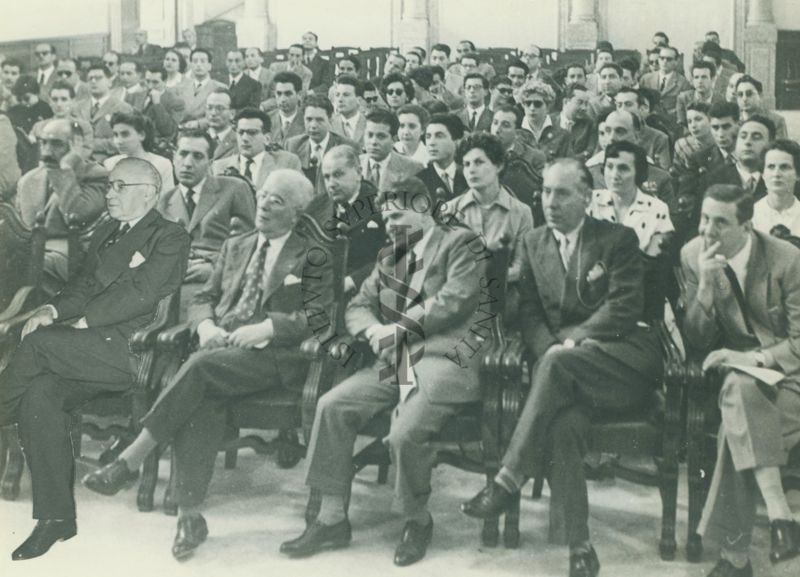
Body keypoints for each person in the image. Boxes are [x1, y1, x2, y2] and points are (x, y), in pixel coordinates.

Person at [83, 169, 330, 561]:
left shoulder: (313, 255)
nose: (263, 204)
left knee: (198, 370)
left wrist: (267, 327)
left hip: (274, 358)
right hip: (220, 352)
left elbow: (318, 317)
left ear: (298, 213)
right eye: (262, 195)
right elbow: (204, 297)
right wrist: (206, 325)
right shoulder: (237, 245)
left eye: (276, 200)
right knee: (201, 401)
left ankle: (131, 458)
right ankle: (190, 516)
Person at [460, 158, 662, 577]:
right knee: (562, 427)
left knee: (555, 365)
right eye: (546, 192)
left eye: (562, 193)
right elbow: (530, 314)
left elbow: (624, 308)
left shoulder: (617, 239)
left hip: (619, 368)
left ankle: (507, 478)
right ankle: (580, 548)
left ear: (587, 197)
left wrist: (568, 344)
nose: (550, 201)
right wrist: (552, 347)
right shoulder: (533, 242)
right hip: (563, 375)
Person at [280, 177, 483, 567]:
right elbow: (357, 304)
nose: (389, 224)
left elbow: (453, 300)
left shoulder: (460, 243)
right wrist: (372, 329)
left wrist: (399, 328)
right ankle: (332, 518)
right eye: (385, 217)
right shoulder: (390, 256)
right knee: (332, 405)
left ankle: (416, 519)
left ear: (424, 209)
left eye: (397, 214)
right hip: (394, 360)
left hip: (443, 358)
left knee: (404, 432)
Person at [0, 157, 190, 561]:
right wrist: (52, 311)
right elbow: (83, 284)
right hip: (86, 351)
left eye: (121, 186)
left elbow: (142, 292)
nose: (110, 193)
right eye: (110, 186)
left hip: (132, 350)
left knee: (36, 346)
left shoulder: (170, 236)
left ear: (149, 193)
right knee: (40, 394)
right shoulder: (107, 230)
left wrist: (82, 321)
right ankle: (56, 520)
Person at [680, 184, 800, 577]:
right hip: (742, 381)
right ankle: (780, 517)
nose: (707, 231)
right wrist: (704, 290)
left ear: (746, 226)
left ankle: (734, 559)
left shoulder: (787, 260)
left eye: (720, 222)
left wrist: (753, 357)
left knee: (736, 419)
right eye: (703, 218)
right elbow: (695, 341)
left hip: (790, 379)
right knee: (738, 388)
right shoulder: (693, 255)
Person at [159, 129, 255, 308]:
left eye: (197, 156)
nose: (188, 163)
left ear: (210, 163)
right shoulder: (163, 201)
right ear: (174, 158)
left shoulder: (234, 189)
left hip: (218, 284)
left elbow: (249, 246)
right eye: (183, 154)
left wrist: (216, 269)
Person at [13, 118, 108, 293]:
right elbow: (19, 226)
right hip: (31, 250)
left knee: (20, 265)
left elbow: (77, 214)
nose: (47, 151)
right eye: (44, 143)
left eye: (56, 144)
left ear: (76, 145)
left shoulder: (96, 175)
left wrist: (65, 169)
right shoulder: (29, 180)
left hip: (73, 256)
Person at [445, 132, 533, 283]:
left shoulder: (522, 212)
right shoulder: (450, 210)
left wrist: (481, 278)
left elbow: (520, 268)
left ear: (498, 166)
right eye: (466, 164)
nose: (471, 170)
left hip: (504, 296)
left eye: (479, 162)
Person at [305, 145, 387, 293]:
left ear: (358, 173)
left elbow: (391, 258)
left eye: (338, 174)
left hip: (364, 291)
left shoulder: (382, 208)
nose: (331, 184)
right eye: (327, 177)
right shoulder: (315, 207)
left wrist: (353, 280)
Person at [212, 107, 302, 190]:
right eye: (241, 132)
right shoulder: (219, 168)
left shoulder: (286, 163)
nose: (244, 138)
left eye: (252, 133)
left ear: (267, 139)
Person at [285, 95, 359, 195]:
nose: (313, 125)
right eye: (309, 119)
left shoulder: (346, 146)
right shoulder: (292, 145)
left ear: (330, 119)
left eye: (319, 120)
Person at [73, 63, 134, 163]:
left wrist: (92, 144)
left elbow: (126, 141)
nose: (93, 81)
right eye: (90, 78)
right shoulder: (77, 108)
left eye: (98, 78)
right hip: (79, 162)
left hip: (110, 162)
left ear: (109, 82)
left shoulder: (123, 108)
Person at [104, 111, 174, 194]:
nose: (119, 141)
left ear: (141, 135)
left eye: (125, 134)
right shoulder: (110, 164)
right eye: (116, 135)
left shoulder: (161, 164)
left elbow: (166, 201)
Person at [360, 108, 424, 193]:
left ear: (393, 139)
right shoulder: (353, 163)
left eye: (381, 136)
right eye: (370, 135)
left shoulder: (413, 168)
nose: (374, 142)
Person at [415, 113, 468, 203]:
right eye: (428, 137)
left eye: (439, 136)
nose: (431, 143)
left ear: (456, 141)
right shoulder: (418, 182)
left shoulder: (468, 174)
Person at [614, 88, 671, 170]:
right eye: (619, 105)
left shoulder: (659, 138)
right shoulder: (609, 133)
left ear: (641, 108)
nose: (623, 109)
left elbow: (662, 174)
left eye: (628, 104)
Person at [752, 140, 800, 236]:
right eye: (771, 167)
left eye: (784, 167)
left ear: (798, 174)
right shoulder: (751, 215)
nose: (776, 174)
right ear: (763, 174)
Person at [518, 80, 572, 160]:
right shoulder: (516, 133)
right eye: (528, 103)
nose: (532, 108)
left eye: (537, 104)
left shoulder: (562, 135)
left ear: (548, 106)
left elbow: (567, 165)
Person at [639, 46, 691, 121]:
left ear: (676, 62)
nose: (664, 61)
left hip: (672, 122)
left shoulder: (683, 82)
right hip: (649, 120)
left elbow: (684, 108)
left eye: (669, 59)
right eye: (662, 58)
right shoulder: (646, 79)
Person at [175, 49, 225, 124]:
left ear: (209, 66)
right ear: (191, 65)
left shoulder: (219, 88)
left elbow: (222, 115)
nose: (198, 64)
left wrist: (199, 123)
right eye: (195, 61)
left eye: (202, 61)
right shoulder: (180, 87)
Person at [735, 75, 789, 140]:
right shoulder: (733, 120)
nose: (744, 98)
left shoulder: (776, 121)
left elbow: (781, 147)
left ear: (760, 95)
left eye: (749, 94)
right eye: (740, 94)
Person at [553, 84, 597, 161]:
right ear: (566, 102)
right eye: (580, 102)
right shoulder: (549, 121)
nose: (584, 108)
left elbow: (589, 151)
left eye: (586, 103)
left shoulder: (589, 124)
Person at [676, 61, 724, 127]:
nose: (700, 81)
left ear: (712, 79)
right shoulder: (683, 98)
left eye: (704, 77)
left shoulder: (721, 100)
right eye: (696, 77)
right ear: (692, 80)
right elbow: (682, 126)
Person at [264, 71, 305, 147]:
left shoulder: (307, 121)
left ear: (299, 95)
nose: (283, 99)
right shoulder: (266, 120)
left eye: (288, 94)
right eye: (279, 94)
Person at [673, 102, 715, 171]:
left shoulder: (722, 142)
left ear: (711, 120)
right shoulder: (682, 146)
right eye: (689, 121)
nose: (693, 125)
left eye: (698, 119)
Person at [330, 75, 367, 145]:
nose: (340, 100)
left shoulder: (369, 124)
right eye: (337, 95)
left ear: (358, 100)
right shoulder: (330, 125)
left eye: (346, 95)